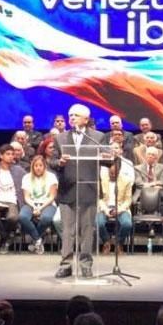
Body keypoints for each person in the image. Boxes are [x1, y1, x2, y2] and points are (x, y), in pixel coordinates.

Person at [49, 104, 108, 279]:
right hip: (68, 189)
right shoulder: (60, 138)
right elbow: (51, 161)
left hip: (88, 189)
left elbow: (107, 160)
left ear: (86, 119)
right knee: (68, 231)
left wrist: (110, 156)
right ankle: (66, 265)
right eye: (70, 115)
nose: (72, 118)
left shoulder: (98, 137)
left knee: (87, 230)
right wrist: (59, 162)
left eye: (75, 115)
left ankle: (86, 265)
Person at [19, 155, 58, 254]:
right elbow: (26, 197)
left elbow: (52, 196)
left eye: (40, 165)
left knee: (46, 218)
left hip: (48, 204)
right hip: (31, 204)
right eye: (36, 166)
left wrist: (40, 208)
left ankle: (35, 241)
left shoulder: (51, 177)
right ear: (32, 166)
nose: (38, 168)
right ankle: (38, 240)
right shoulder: (26, 177)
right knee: (22, 217)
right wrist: (35, 206)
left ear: (44, 166)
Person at [97, 156, 133, 255]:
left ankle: (119, 243)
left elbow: (128, 200)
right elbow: (99, 198)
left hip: (120, 207)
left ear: (119, 170)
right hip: (105, 207)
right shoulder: (102, 179)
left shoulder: (126, 180)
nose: (112, 175)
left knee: (127, 224)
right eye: (111, 173)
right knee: (98, 223)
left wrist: (120, 209)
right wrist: (105, 210)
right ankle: (106, 241)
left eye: (115, 173)